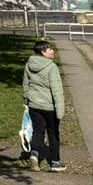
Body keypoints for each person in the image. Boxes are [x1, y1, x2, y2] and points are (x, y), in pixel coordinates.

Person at [22, 39, 66, 172]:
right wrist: (60, 110)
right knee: (53, 133)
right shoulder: (51, 67)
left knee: (38, 130)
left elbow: (26, 84)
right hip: (49, 106)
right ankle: (55, 162)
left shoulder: (29, 64)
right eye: (50, 49)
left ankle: (34, 155)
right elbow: (57, 90)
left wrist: (26, 100)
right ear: (43, 52)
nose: (52, 51)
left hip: (34, 104)